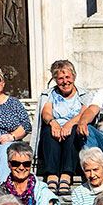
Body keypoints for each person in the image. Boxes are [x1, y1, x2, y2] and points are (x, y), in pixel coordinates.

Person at [37, 60, 86, 195]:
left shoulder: (83, 95)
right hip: (55, 127)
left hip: (73, 128)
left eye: (67, 77)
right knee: (48, 132)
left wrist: (69, 124)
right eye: (60, 78)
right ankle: (51, 175)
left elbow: (85, 113)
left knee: (73, 133)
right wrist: (53, 123)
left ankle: (66, 175)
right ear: (55, 80)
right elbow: (46, 112)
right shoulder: (50, 94)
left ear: (74, 77)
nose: (65, 81)